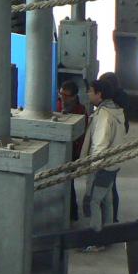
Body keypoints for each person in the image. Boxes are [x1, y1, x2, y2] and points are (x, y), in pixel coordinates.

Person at [79, 77, 127, 236]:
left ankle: (96, 238)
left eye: (90, 91)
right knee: (107, 200)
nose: (88, 94)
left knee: (94, 201)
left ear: (99, 94)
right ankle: (108, 235)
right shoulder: (116, 111)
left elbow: (100, 143)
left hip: (102, 166)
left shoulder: (104, 115)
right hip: (112, 164)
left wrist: (93, 167)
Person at [56, 79, 88, 222]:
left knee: (69, 184)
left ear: (74, 96)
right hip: (58, 152)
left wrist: (76, 158)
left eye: (66, 96)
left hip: (72, 154)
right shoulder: (57, 105)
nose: (63, 98)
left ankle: (71, 214)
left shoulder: (80, 112)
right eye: (61, 94)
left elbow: (81, 138)